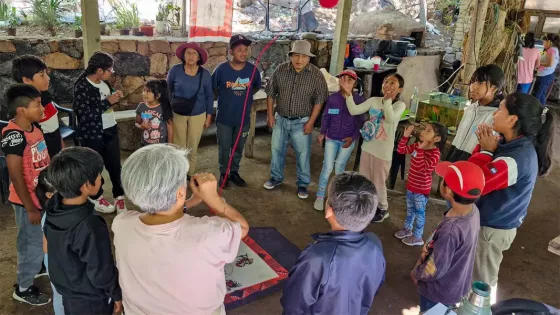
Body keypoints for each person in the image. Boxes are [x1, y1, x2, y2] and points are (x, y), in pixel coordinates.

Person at [113, 144, 249, 315]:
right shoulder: (207, 234)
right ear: (179, 194)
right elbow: (242, 227)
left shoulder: (121, 224)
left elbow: (160, 213)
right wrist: (213, 199)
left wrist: (189, 202)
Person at [469, 92, 554, 303]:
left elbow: (475, 185)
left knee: (482, 282)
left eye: (500, 110)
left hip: (492, 229)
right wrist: (487, 148)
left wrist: (487, 152)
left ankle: (479, 310)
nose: (495, 114)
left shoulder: (516, 158)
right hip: (493, 223)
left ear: (512, 119)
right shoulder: (513, 144)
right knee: (476, 274)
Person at [281, 172, 386, 315]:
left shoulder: (317, 258)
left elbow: (293, 305)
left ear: (329, 211)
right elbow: (376, 284)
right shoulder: (374, 244)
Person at [43, 147, 122, 315]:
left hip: (68, 292)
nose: (101, 179)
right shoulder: (90, 224)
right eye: (99, 175)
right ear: (86, 185)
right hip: (91, 300)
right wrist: (115, 293)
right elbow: (100, 270)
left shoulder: (53, 208)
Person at [411, 161, 484, 312]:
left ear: (448, 191)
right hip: (456, 283)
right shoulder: (473, 210)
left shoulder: (451, 231)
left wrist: (417, 272)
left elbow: (436, 268)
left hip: (438, 292)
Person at [1, 84, 51, 306]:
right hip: (26, 201)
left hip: (39, 195)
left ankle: (36, 266)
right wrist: (30, 206)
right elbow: (15, 174)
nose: (42, 108)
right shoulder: (14, 135)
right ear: (21, 110)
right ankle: (23, 287)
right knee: (29, 242)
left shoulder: (34, 127)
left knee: (38, 237)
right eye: (37, 104)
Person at [264, 40, 329, 199]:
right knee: (277, 150)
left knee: (302, 154)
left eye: (304, 57)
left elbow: (319, 100)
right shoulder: (281, 70)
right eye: (296, 56)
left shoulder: (316, 75)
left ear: (309, 58)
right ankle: (276, 177)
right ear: (291, 56)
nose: (299, 60)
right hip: (281, 119)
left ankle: (302, 184)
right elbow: (271, 93)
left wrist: (311, 122)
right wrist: (270, 115)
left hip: (302, 121)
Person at [339, 73, 406, 223]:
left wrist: (387, 101)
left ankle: (383, 208)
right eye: (386, 81)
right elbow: (354, 110)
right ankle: (368, 204)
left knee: (378, 182)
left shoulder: (399, 105)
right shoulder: (374, 100)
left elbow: (390, 119)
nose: (388, 85)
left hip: (382, 153)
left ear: (400, 89)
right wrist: (349, 94)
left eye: (393, 83)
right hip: (368, 147)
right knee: (365, 179)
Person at [73, 51, 126, 214]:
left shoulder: (104, 83)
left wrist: (114, 97)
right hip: (92, 133)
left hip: (110, 129)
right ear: (100, 71)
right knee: (95, 167)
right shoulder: (81, 86)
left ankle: (120, 196)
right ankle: (97, 196)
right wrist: (107, 103)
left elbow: (105, 102)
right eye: (110, 70)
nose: (112, 73)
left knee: (115, 165)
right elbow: (84, 115)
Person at [212, 35, 262, 188]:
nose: (243, 53)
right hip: (224, 119)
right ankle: (224, 173)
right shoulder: (221, 69)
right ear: (231, 52)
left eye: (245, 50)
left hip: (243, 119)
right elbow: (214, 89)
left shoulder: (252, 70)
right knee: (224, 147)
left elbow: (255, 87)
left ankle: (234, 172)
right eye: (239, 50)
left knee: (238, 147)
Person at [313, 70, 365, 211]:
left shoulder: (359, 101)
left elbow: (361, 122)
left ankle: (336, 197)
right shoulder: (333, 99)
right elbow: (326, 117)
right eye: (342, 79)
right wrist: (322, 133)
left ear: (355, 83)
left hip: (347, 140)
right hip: (331, 138)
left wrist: (353, 137)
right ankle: (320, 195)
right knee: (327, 167)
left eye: (349, 80)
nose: (345, 83)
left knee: (339, 168)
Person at [394, 123, 447, 246]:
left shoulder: (435, 154)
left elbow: (420, 167)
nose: (423, 132)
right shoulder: (418, 145)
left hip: (421, 191)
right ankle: (407, 229)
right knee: (410, 211)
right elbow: (401, 150)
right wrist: (405, 136)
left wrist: (419, 149)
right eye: (424, 129)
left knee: (419, 214)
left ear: (437, 139)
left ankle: (417, 237)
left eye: (428, 131)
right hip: (411, 187)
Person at [168, 42, 214, 178]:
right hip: (178, 113)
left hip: (198, 114)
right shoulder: (175, 70)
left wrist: (209, 115)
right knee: (178, 145)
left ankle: (190, 173)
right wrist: (168, 112)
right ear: (183, 55)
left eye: (194, 53)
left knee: (192, 145)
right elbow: (169, 91)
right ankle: (179, 172)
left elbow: (209, 96)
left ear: (199, 57)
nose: (191, 56)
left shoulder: (205, 74)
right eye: (188, 53)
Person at [445, 64, 505, 163]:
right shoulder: (470, 108)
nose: (473, 87)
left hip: (472, 165)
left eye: (480, 82)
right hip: (453, 158)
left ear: (494, 88)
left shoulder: (495, 117)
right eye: (472, 82)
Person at [12, 55, 64, 158]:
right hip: (43, 154)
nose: (48, 78)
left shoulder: (44, 95)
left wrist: (61, 145)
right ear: (26, 80)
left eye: (46, 73)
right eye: (41, 75)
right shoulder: (26, 106)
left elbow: (53, 124)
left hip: (55, 147)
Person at [36, 170, 64, 315]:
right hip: (57, 262)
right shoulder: (52, 217)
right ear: (49, 195)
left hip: (55, 261)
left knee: (60, 296)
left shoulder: (52, 214)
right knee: (61, 296)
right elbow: (47, 249)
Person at [135, 79, 173, 145]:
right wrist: (141, 126)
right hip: (145, 144)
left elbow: (170, 128)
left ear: (158, 95)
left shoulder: (164, 107)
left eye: (148, 91)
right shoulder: (141, 106)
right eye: (144, 90)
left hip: (161, 145)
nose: (144, 93)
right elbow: (137, 122)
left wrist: (169, 145)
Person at [533, 34, 559, 105]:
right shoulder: (555, 49)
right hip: (547, 75)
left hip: (545, 76)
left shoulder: (551, 50)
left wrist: (539, 63)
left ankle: (535, 111)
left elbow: (550, 64)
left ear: (549, 42)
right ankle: (541, 110)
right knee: (542, 94)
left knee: (537, 95)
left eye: (544, 42)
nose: (543, 44)